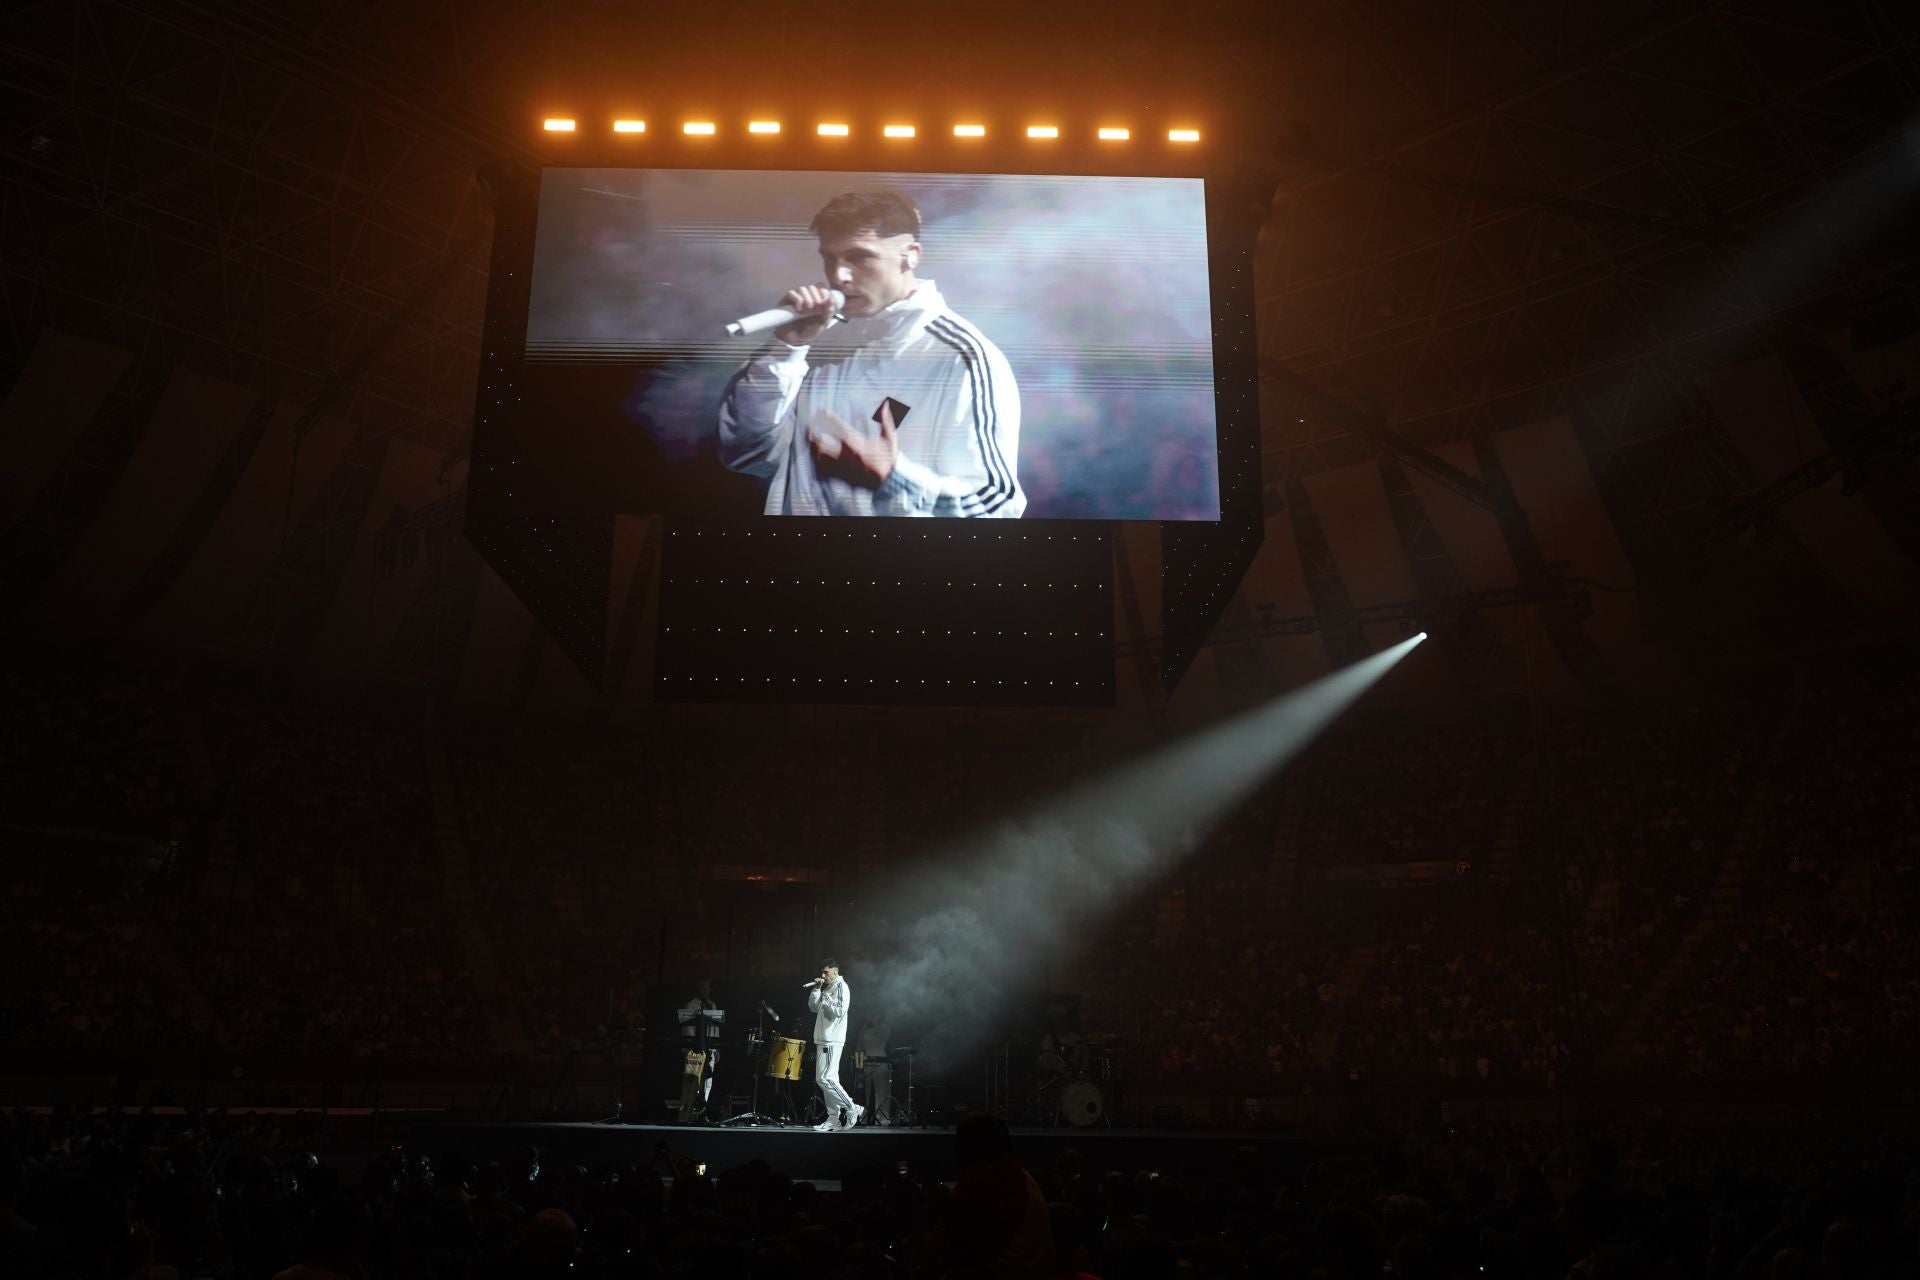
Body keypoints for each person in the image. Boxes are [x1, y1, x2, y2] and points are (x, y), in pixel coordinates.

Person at [718, 188, 1026, 517]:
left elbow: (997, 505)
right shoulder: (815, 341)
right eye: (829, 258)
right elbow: (746, 455)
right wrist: (788, 348)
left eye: (859, 257)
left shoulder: (963, 357)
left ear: (911, 255)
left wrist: (893, 479)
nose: (839, 276)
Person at [806, 959, 862, 1131]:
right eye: (822, 973)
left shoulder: (841, 987)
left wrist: (826, 998)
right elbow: (813, 1007)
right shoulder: (828, 988)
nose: (823, 975)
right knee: (829, 1079)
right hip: (823, 1038)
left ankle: (852, 1108)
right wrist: (817, 989)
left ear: (836, 971)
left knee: (825, 1078)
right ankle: (833, 1119)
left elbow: (840, 1010)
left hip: (832, 1039)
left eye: (826, 972)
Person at [858, 1014, 893, 1126]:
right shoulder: (865, 1029)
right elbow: (860, 1045)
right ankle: (863, 1117)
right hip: (867, 1062)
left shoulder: (885, 1027)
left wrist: (876, 1024)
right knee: (864, 1093)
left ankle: (883, 1119)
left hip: (881, 1061)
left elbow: (882, 1038)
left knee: (881, 1092)